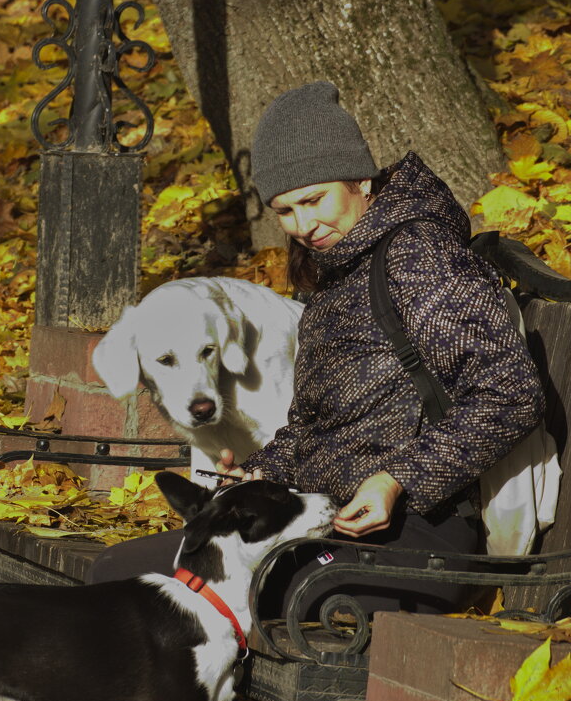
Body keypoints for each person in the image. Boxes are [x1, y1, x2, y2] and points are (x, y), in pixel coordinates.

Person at [89, 81, 544, 617]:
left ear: (361, 179)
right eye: (284, 210)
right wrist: (262, 473)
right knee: (115, 574)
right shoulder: (335, 271)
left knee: (199, 599)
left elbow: (510, 394)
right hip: (320, 518)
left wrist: (397, 480)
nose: (303, 226)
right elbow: (313, 426)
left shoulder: (419, 255)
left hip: (419, 532)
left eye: (313, 200)